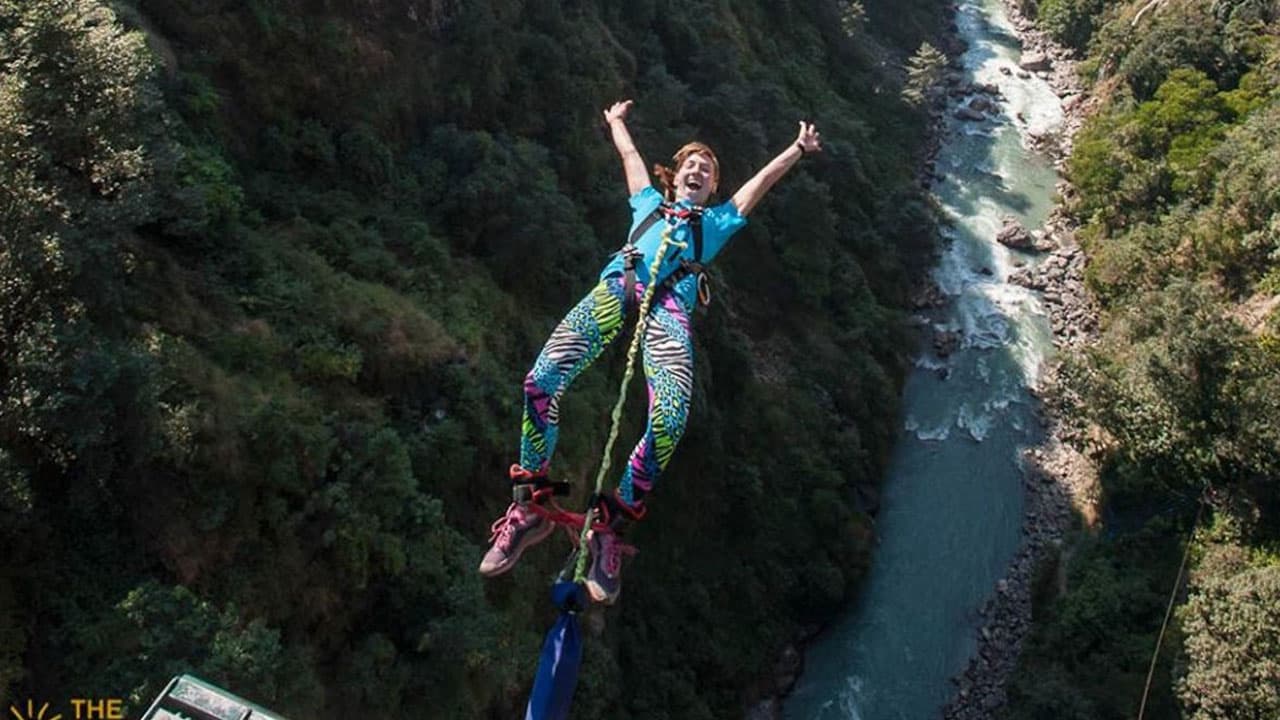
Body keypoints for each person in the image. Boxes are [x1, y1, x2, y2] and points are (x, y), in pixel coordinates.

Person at [479, 99, 822, 604]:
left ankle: (609, 528)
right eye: (691, 165)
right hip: (617, 291)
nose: (698, 170)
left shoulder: (716, 224)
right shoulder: (646, 203)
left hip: (667, 312)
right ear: (675, 177)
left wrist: (796, 149)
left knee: (670, 417)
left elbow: (759, 186)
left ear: (711, 188)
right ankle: (530, 505)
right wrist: (617, 123)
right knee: (540, 381)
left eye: (707, 170)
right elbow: (630, 158)